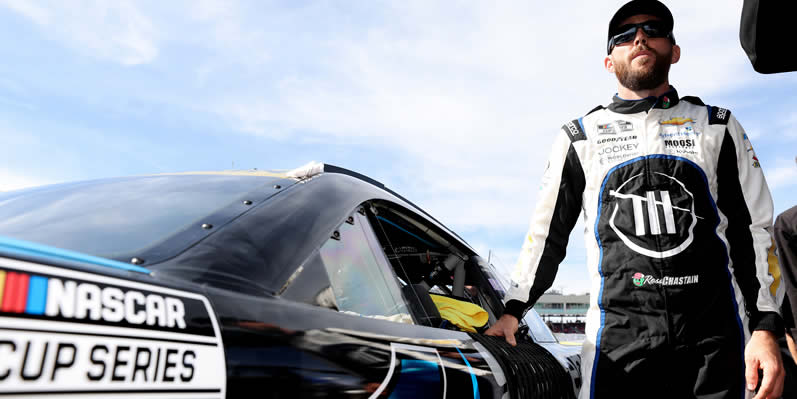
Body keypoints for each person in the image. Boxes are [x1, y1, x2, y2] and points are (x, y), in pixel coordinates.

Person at [485, 1, 785, 398]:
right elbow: (546, 233)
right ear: (609, 61)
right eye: (624, 36)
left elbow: (755, 231)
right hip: (618, 342)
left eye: (653, 29)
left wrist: (766, 328)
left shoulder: (717, 125)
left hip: (716, 339)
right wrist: (513, 310)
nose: (639, 37)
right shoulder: (580, 136)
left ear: (674, 51)